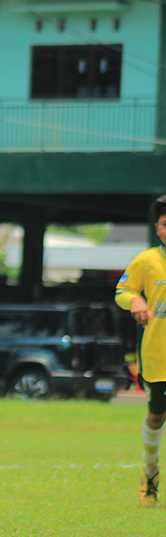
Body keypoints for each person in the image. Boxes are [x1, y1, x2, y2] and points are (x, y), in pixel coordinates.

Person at [115, 194, 166, 506]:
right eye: (165, 224)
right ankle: (150, 474)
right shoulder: (146, 261)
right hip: (158, 357)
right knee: (157, 417)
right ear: (157, 228)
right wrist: (135, 299)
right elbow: (123, 290)